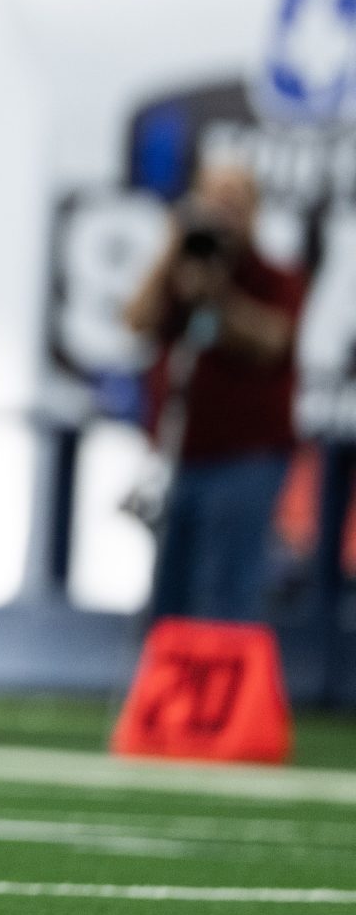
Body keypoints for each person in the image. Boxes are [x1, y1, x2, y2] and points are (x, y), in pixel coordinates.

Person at [123, 160, 304, 623]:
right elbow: (136, 320)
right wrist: (172, 248)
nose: (223, 212)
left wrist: (218, 295)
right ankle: (171, 670)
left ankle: (222, 671)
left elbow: (272, 341)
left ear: (254, 211)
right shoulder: (178, 271)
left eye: (235, 202)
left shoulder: (273, 277)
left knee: (226, 592)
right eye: (215, 199)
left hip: (246, 457)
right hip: (179, 455)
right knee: (168, 592)